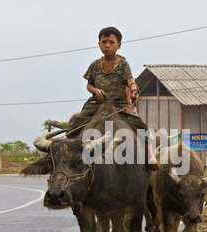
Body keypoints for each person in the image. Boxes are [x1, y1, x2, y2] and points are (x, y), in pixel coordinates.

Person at [68, 26, 159, 170]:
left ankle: (150, 156)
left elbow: (130, 80)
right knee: (75, 125)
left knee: (141, 126)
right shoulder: (95, 65)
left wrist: (134, 89)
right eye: (104, 42)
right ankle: (68, 154)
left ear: (119, 45)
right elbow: (89, 85)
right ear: (99, 44)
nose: (107, 46)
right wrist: (95, 90)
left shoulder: (123, 64)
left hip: (120, 104)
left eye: (111, 42)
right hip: (97, 104)